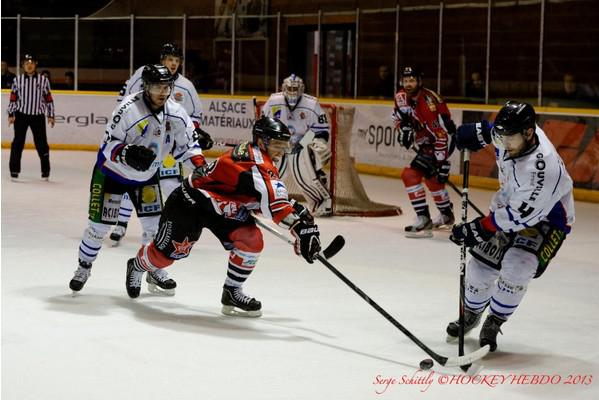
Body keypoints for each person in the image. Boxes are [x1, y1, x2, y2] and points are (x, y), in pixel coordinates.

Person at [125, 116, 322, 317]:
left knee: (251, 240)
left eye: (284, 145)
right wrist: (299, 229)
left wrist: (296, 211)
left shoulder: (261, 157)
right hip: (190, 202)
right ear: (262, 141)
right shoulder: (256, 163)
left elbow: (263, 196)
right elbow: (274, 205)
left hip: (224, 205)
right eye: (278, 145)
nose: (282, 150)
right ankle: (138, 266)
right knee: (166, 256)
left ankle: (232, 292)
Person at [446, 100, 575, 352]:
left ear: (529, 134)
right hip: (511, 202)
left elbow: (517, 217)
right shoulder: (512, 134)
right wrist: (479, 132)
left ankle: (494, 320)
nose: (503, 145)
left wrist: (479, 228)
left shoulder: (542, 171)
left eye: (508, 140)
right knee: (480, 267)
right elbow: (497, 130)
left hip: (548, 220)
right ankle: (472, 313)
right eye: (499, 138)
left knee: (518, 266)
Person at [69, 64, 206, 295]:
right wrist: (125, 153)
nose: (163, 92)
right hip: (112, 175)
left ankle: (152, 269)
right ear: (145, 86)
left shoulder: (176, 112)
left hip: (146, 177)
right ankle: (84, 267)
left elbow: (187, 146)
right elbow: (108, 144)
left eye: (167, 86)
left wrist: (201, 167)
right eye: (157, 86)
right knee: (98, 228)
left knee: (155, 229)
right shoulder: (127, 109)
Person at [110, 43, 212, 244]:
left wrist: (192, 132)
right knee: (132, 178)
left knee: (172, 186)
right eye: (170, 59)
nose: (173, 64)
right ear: (162, 59)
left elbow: (195, 115)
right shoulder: (142, 74)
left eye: (177, 60)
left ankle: (168, 227)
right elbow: (124, 101)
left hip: (168, 145)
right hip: (142, 139)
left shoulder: (186, 86)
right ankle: (121, 224)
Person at [392, 66, 456, 238]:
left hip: (437, 143)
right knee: (433, 180)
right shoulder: (401, 97)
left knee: (410, 175)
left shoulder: (427, 105)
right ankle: (447, 216)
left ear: (419, 82)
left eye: (412, 80)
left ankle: (423, 219)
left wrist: (441, 163)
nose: (408, 84)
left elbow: (441, 135)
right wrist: (404, 129)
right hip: (425, 143)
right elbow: (397, 118)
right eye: (405, 80)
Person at [261, 74, 332, 216]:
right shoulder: (274, 100)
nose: (292, 91)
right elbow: (263, 123)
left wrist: (304, 143)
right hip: (278, 144)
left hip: (302, 146)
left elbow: (322, 130)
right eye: (289, 88)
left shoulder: (311, 103)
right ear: (283, 88)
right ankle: (265, 201)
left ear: (302, 89)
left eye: (295, 88)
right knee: (270, 173)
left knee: (304, 175)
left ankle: (322, 202)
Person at [6, 54, 55, 181]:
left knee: (42, 144)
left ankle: (45, 171)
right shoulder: (17, 80)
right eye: (26, 63)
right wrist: (11, 114)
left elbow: (48, 99)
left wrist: (50, 115)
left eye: (31, 63)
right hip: (21, 115)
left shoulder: (43, 80)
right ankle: (14, 170)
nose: (29, 65)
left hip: (37, 116)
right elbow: (13, 98)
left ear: (35, 64)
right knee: (17, 143)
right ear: (23, 66)